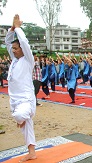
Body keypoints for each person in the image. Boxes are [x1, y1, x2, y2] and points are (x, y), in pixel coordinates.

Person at [5, 14, 37, 162]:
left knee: (20, 117)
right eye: (13, 49)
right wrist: (12, 29)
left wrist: (18, 28)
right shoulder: (14, 60)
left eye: (16, 49)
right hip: (15, 100)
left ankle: (21, 119)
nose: (14, 51)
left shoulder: (27, 59)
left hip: (26, 100)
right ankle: (32, 152)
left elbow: (23, 41)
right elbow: (7, 42)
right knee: (27, 128)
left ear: (22, 49)